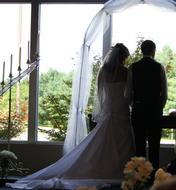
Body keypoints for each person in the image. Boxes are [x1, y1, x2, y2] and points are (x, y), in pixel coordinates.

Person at [7, 43, 135, 189]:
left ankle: (103, 169)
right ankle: (121, 172)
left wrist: (106, 108)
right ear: (124, 57)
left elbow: (100, 95)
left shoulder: (103, 72)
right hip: (122, 111)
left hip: (109, 110)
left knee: (102, 143)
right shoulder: (126, 72)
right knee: (122, 142)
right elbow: (129, 95)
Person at [125, 40, 167, 171]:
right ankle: (154, 178)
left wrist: (134, 104)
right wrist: (159, 107)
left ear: (142, 50)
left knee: (140, 146)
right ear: (153, 50)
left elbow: (128, 93)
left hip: (138, 110)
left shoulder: (133, 67)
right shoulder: (159, 67)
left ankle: (141, 178)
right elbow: (164, 93)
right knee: (155, 146)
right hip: (155, 111)